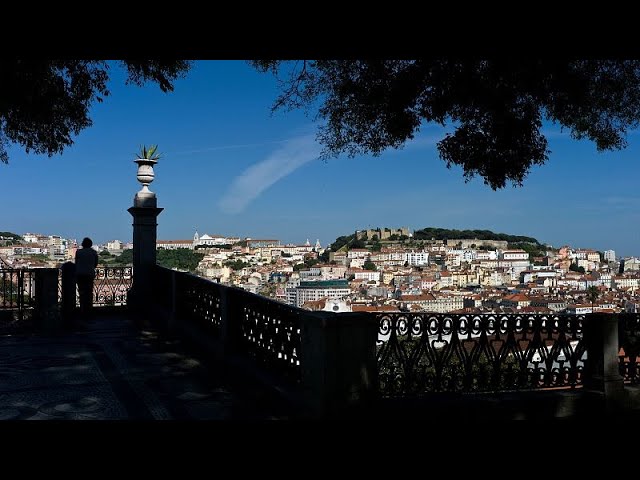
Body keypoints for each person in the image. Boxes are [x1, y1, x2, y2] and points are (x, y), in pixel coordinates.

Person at [75, 237, 99, 321]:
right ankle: (88, 311)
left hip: (80, 274)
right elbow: (95, 264)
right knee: (89, 293)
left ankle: (82, 310)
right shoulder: (94, 253)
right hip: (89, 274)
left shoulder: (78, 252)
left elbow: (76, 263)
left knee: (81, 293)